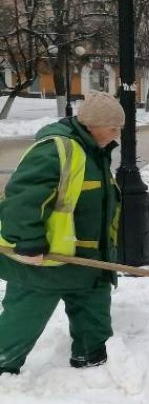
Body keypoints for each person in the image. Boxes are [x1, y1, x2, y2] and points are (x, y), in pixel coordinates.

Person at [0, 92, 124, 374]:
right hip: (44, 263)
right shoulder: (56, 149)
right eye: (113, 127)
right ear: (93, 124)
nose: (117, 134)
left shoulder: (95, 152)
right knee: (22, 321)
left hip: (89, 264)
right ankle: (3, 364)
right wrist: (28, 242)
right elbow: (22, 198)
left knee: (94, 325)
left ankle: (92, 366)